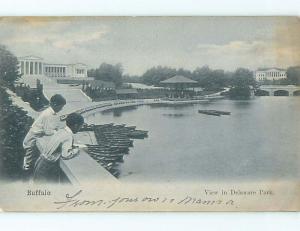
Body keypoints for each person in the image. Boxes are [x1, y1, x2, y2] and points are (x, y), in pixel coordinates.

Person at [33, 113, 84, 183]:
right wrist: (77, 150)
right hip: (47, 167)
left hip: (40, 162)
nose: (80, 129)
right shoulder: (68, 136)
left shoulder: (61, 131)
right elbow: (65, 155)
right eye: (80, 126)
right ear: (76, 125)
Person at [23, 94, 66, 177]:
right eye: (61, 106)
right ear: (55, 104)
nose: (61, 109)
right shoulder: (48, 114)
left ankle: (27, 174)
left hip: (34, 136)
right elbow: (48, 131)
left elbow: (49, 128)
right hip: (32, 138)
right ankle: (25, 175)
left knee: (29, 159)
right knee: (28, 161)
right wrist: (59, 133)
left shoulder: (49, 112)